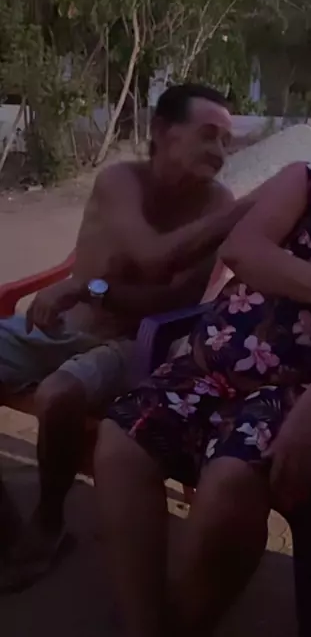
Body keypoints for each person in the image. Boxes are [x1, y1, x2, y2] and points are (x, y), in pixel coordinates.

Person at [94, 85, 311, 637]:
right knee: (119, 442)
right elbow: (243, 249)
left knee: (230, 483)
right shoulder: (304, 183)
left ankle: (183, 622)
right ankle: (143, 625)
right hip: (212, 370)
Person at [0, 83, 252, 588]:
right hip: (60, 325)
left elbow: (169, 299)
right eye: (208, 135)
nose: (220, 152)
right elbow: (149, 257)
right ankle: (6, 531)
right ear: (161, 131)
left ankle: (48, 525)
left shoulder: (218, 205)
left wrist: (88, 288)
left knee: (58, 396)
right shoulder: (121, 181)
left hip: (131, 342)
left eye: (227, 142)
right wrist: (91, 287)